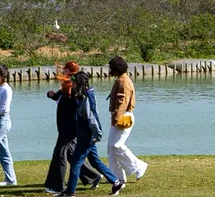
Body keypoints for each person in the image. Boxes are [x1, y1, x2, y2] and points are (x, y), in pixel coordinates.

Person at [60, 71, 124, 196]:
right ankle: (116, 182)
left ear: (80, 84)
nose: (72, 85)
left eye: (74, 83)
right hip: (87, 135)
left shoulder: (86, 99)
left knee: (75, 164)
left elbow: (92, 119)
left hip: (86, 136)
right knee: (94, 161)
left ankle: (70, 192)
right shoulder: (84, 95)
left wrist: (97, 135)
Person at [44, 61, 102, 194]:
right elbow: (60, 97)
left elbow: (78, 103)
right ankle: (92, 176)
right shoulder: (68, 84)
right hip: (64, 125)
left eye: (65, 70)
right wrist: (52, 95)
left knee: (59, 154)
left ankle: (56, 185)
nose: (63, 72)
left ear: (71, 71)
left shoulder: (73, 85)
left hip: (69, 127)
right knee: (71, 153)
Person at [108, 56, 148, 183]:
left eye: (111, 68)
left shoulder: (123, 81)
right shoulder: (121, 79)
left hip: (123, 117)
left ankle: (138, 166)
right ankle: (118, 177)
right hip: (120, 116)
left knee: (116, 145)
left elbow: (122, 102)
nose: (110, 70)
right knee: (111, 148)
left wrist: (116, 117)